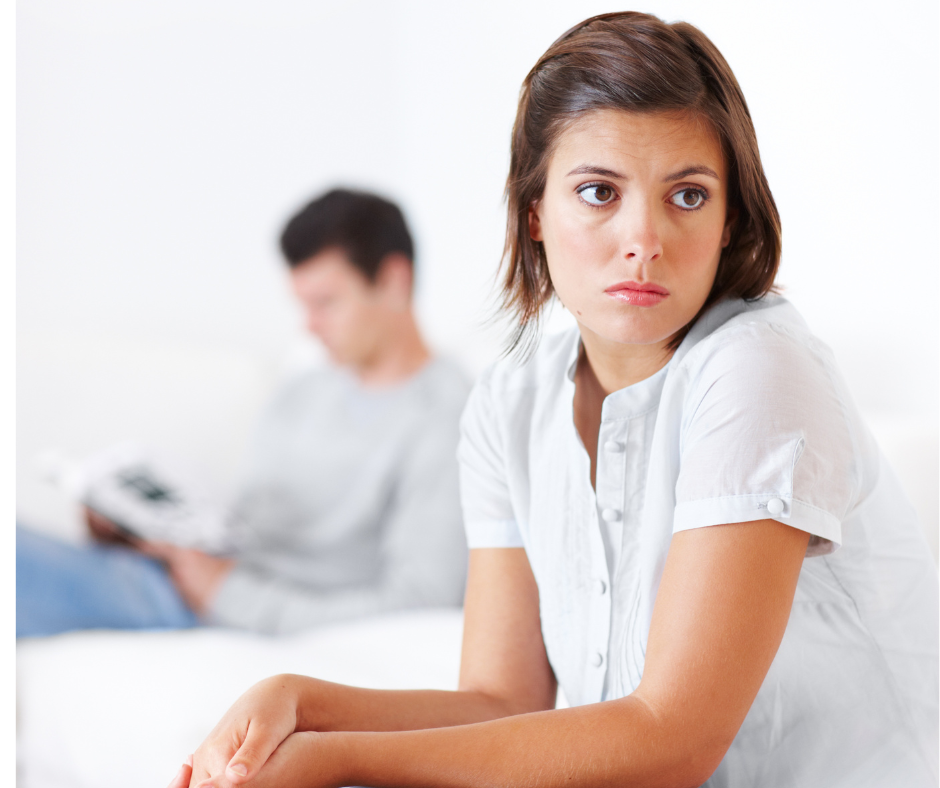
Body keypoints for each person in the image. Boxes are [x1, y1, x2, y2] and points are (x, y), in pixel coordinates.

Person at [167, 13, 939, 788]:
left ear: (731, 214)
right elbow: (504, 700)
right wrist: (298, 702)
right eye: (599, 192)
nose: (644, 237)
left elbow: (672, 742)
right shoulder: (511, 402)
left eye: (689, 195)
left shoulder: (758, 372)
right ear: (534, 211)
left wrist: (338, 758)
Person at [17, 188, 470, 637]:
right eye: (302, 304)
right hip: (180, 574)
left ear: (393, 281)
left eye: (325, 303)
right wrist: (137, 528)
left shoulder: (446, 417)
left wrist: (225, 596)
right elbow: (240, 526)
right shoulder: (302, 389)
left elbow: (421, 601)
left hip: (219, 607)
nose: (308, 325)